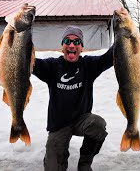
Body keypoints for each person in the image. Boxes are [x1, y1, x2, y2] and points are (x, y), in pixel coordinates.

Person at [32, 25, 114, 171]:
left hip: (81, 120)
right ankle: (56, 156)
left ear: (81, 47)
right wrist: (19, 40)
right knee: (53, 167)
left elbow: (110, 57)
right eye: (67, 41)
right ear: (62, 46)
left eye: (76, 42)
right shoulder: (52, 66)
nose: (71, 45)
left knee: (98, 124)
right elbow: (28, 61)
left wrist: (124, 34)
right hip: (59, 125)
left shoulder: (88, 65)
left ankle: (85, 163)